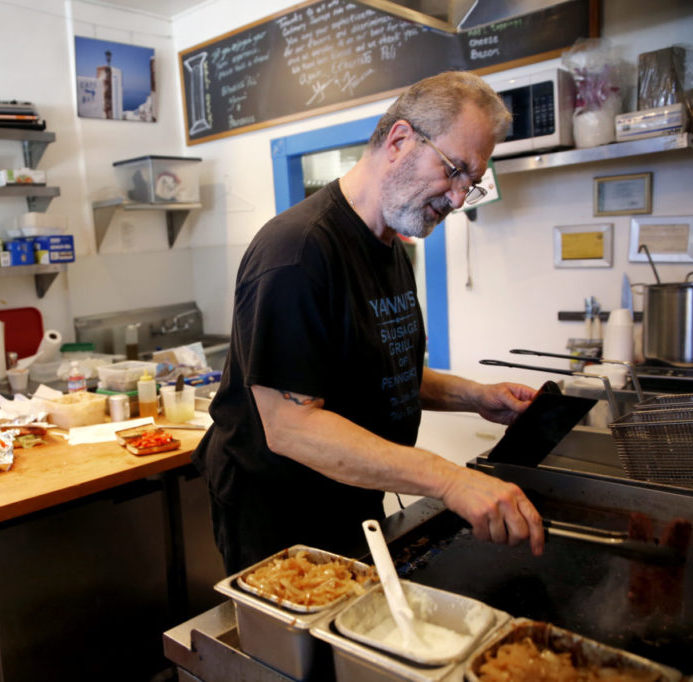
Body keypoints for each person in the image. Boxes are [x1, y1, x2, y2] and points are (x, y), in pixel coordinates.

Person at [192, 71, 546, 575]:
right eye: (455, 170)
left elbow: (378, 366)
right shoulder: (297, 252)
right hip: (282, 518)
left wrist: (475, 396)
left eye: (473, 181)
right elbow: (292, 426)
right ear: (400, 140)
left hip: (350, 496)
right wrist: (448, 479)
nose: (460, 197)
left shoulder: (388, 244)